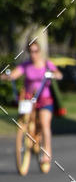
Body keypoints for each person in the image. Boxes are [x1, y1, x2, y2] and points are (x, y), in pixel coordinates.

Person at [1, 38, 63, 172]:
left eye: (35, 51)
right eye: (31, 51)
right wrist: (7, 76)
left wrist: (52, 74)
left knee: (45, 124)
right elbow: (14, 74)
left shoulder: (46, 64)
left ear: (39, 51)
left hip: (44, 99)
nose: (33, 54)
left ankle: (46, 153)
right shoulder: (25, 65)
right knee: (22, 119)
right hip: (29, 99)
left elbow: (59, 75)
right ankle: (26, 136)